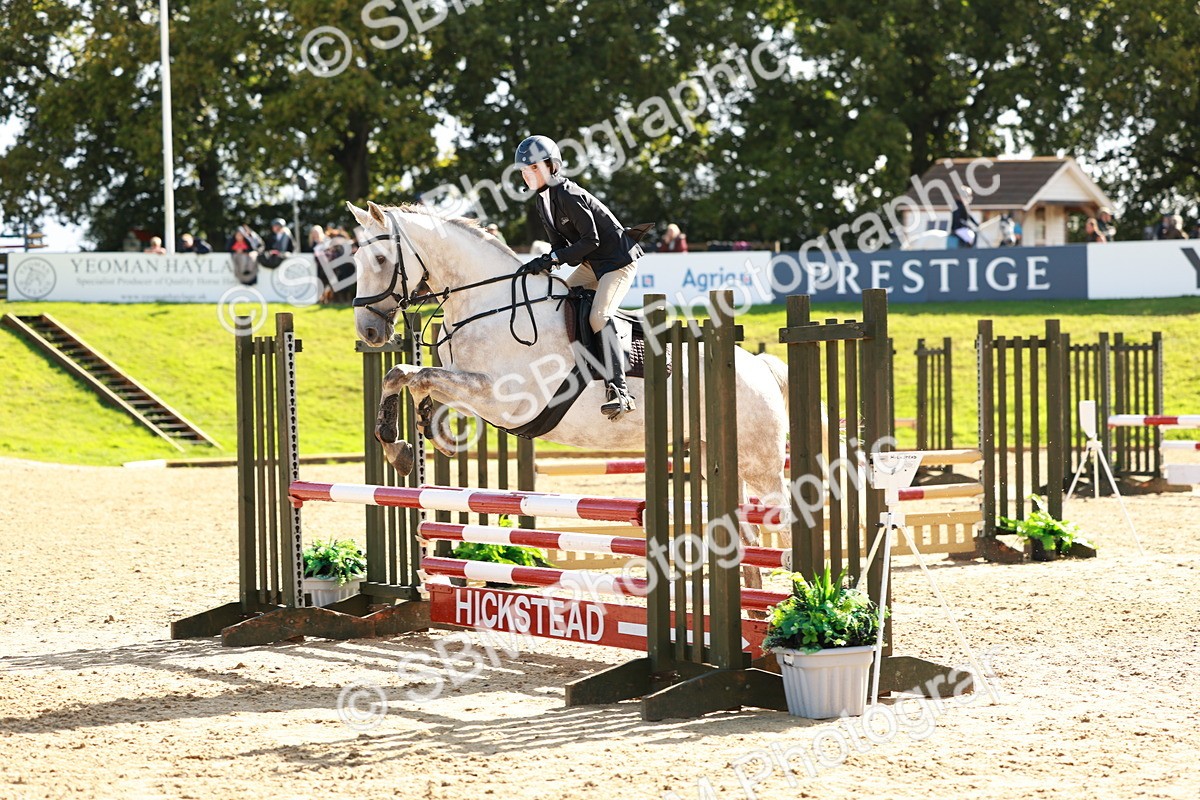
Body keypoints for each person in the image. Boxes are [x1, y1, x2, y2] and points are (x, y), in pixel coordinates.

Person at [515, 134, 643, 420]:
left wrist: (555, 259)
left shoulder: (568, 194)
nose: (527, 175)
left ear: (552, 166)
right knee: (557, 301)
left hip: (617, 261)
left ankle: (620, 391)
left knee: (599, 316)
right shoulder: (542, 201)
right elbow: (560, 247)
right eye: (524, 170)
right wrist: (545, 262)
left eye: (534, 168)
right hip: (590, 264)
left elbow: (592, 240)